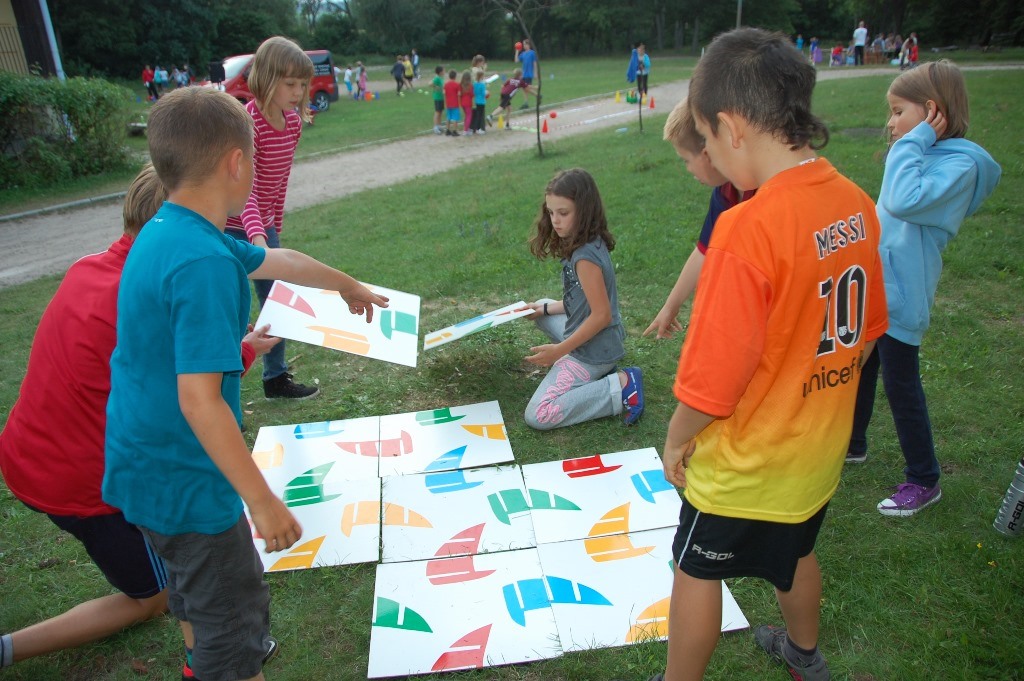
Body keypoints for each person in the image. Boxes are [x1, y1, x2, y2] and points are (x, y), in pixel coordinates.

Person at [102, 86, 388, 681]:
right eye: (254, 157)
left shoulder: (171, 229)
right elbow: (199, 400)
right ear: (237, 163)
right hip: (190, 482)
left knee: (191, 596)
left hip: (143, 469)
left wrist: (346, 284)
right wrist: (261, 500)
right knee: (230, 624)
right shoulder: (203, 263)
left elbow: (283, 261)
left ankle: (200, 664)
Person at [650, 28, 888, 681]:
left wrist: (675, 440)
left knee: (695, 569)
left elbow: (711, 384)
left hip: (744, 467)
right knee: (794, 555)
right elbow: (868, 335)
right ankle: (804, 654)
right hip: (816, 457)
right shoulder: (857, 204)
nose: (707, 156)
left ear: (729, 127)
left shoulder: (745, 229)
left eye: (705, 138)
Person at [0, 165, 279, 672]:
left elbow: (158, 367)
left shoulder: (91, 268)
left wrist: (240, 347)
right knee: (159, 593)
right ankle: (10, 648)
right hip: (85, 480)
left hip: (27, 451)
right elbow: (191, 396)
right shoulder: (149, 291)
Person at [847, 60, 1001, 516]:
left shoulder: (958, 166)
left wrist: (912, 142)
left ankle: (924, 478)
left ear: (932, 111)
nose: (890, 123)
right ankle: (853, 444)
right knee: (861, 368)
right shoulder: (923, 155)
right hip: (879, 285)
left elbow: (902, 201)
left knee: (901, 384)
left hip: (905, 293)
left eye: (898, 112)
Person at [224, 36, 319, 400]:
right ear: (266, 78)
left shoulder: (293, 124)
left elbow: (279, 183)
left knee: (278, 302)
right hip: (231, 229)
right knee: (231, 310)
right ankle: (223, 391)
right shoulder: (248, 123)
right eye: (290, 83)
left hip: (262, 230)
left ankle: (275, 378)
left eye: (302, 84)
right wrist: (257, 238)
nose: (298, 92)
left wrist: (272, 227)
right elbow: (246, 187)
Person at [520, 168, 644, 431]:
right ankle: (598, 373)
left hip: (594, 352)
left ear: (584, 211)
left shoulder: (585, 257)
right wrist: (543, 309)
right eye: (551, 212)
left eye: (563, 213)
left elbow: (602, 316)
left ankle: (622, 385)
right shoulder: (584, 243)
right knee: (543, 308)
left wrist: (559, 352)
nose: (555, 221)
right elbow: (581, 302)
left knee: (538, 415)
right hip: (598, 339)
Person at [643, 99, 754, 340]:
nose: (688, 169)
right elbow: (704, 250)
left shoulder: (763, 193)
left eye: (686, 160)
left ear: (707, 155)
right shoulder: (725, 191)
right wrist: (670, 307)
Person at [515, 39, 537, 109]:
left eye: (525, 44)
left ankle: (537, 95)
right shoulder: (523, 54)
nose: (524, 46)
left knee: (527, 88)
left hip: (529, 74)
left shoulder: (532, 53)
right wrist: (517, 51)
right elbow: (516, 61)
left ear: (528, 45)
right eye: (523, 44)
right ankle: (526, 103)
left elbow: (534, 63)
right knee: (524, 89)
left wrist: (535, 73)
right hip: (523, 74)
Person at [443, 68, 462, 136]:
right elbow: (459, 94)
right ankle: (454, 130)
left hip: (448, 103)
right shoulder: (457, 84)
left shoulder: (446, 84)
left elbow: (444, 93)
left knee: (448, 117)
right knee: (455, 118)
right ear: (455, 76)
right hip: (455, 103)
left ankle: (447, 130)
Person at [471, 69, 488, 135]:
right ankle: (480, 128)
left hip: (477, 101)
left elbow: (474, 93)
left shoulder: (475, 84)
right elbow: (484, 94)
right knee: (481, 115)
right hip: (482, 101)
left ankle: (475, 128)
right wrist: (487, 92)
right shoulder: (482, 84)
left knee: (478, 115)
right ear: (481, 76)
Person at [459, 70, 474, 134]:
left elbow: (460, 94)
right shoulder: (470, 85)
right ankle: (466, 130)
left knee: (466, 115)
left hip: (462, 102)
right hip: (468, 102)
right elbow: (472, 94)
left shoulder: (460, 85)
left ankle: (466, 127)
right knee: (469, 116)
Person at [431, 65, 445, 134]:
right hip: (437, 97)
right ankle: (435, 127)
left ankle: (439, 125)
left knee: (440, 111)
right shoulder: (437, 78)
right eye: (443, 70)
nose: (444, 71)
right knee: (437, 112)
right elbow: (430, 83)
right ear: (440, 72)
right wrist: (436, 87)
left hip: (441, 97)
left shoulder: (440, 78)